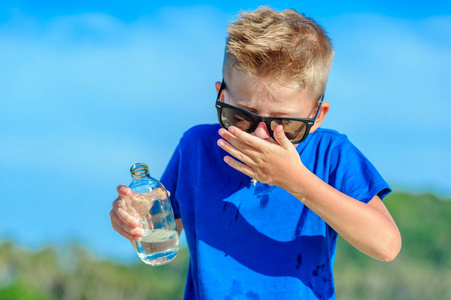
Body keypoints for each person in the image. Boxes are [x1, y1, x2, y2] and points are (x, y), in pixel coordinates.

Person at [110, 6, 401, 299]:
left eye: (284, 124)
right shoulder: (195, 148)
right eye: (242, 117)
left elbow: (386, 245)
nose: (260, 136)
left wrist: (294, 180)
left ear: (317, 115)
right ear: (221, 97)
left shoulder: (332, 154)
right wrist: (132, 221)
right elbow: (163, 233)